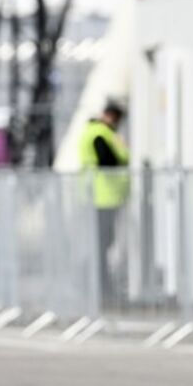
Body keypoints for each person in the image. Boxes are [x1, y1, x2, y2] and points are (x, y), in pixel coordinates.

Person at [78, 99, 130, 309]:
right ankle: (101, 289)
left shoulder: (95, 131)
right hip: (103, 198)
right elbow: (108, 162)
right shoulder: (100, 133)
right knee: (102, 246)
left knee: (103, 246)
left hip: (102, 198)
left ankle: (101, 287)